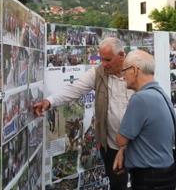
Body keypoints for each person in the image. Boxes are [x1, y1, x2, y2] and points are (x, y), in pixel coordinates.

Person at [34, 37, 133, 190]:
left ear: (122, 55)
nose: (104, 64)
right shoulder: (98, 73)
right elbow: (74, 89)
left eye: (108, 59)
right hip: (112, 146)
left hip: (137, 144)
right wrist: (49, 101)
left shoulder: (136, 71)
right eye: (101, 59)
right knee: (117, 185)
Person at [113, 49, 176, 190]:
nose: (123, 76)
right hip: (166, 174)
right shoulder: (161, 93)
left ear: (135, 70)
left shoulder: (140, 99)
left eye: (124, 71)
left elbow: (121, 140)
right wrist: (124, 150)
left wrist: (122, 147)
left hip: (149, 179)